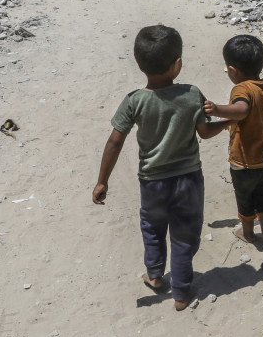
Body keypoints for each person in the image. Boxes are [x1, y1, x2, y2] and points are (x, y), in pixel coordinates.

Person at [92, 25, 225, 310]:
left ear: (140, 64)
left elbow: (115, 142)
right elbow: (205, 132)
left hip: (152, 182)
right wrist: (230, 122)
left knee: (152, 229)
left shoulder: (134, 101)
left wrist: (102, 181)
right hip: (188, 180)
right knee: (183, 235)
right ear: (177, 64)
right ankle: (181, 293)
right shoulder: (192, 94)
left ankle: (154, 277)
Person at [204, 34, 263, 271]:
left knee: (246, 202)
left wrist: (217, 109)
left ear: (232, 70)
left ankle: (248, 233)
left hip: (246, 163)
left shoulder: (242, 89)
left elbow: (241, 110)